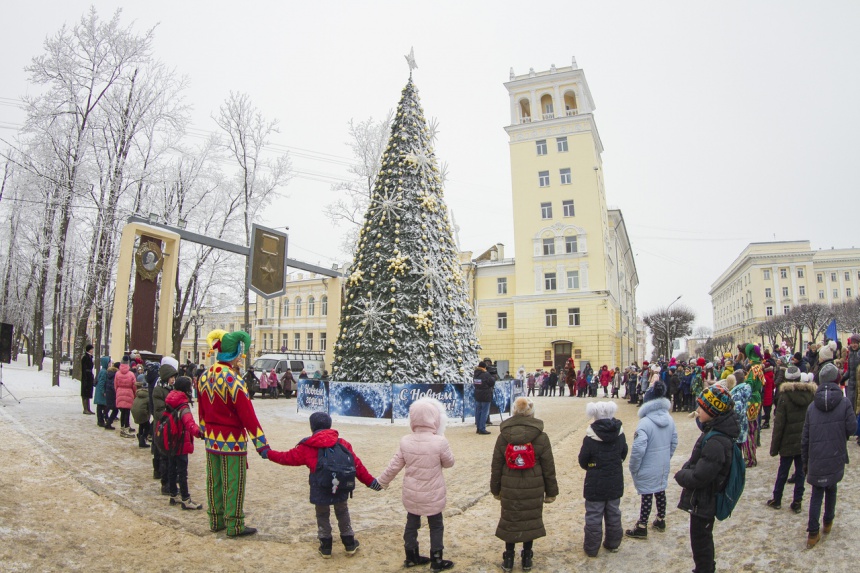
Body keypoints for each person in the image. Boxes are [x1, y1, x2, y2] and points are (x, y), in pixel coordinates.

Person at [267, 411, 380, 558]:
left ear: (312, 427)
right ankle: (349, 543)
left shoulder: (308, 446)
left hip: (320, 487)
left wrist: (267, 453)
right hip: (340, 485)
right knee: (342, 511)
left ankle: (326, 546)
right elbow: (357, 466)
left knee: (322, 514)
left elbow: (286, 457)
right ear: (329, 425)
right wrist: (371, 482)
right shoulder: (343, 444)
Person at [198, 329, 269, 537]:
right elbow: (248, 415)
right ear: (235, 354)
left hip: (211, 438)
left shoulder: (204, 376)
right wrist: (261, 443)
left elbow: (201, 409)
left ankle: (215, 520)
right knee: (234, 482)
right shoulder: (234, 381)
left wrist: (203, 429)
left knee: (214, 479)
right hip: (232, 440)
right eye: (240, 354)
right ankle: (234, 524)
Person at [377, 398, 455, 571]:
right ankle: (436, 559)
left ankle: (411, 556)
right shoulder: (439, 441)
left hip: (412, 494)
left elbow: (394, 465)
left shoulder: (406, 441)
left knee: (412, 523)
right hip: (433, 494)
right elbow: (449, 463)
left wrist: (381, 482)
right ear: (435, 419)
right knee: (436, 525)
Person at [674, 385, 739, 573]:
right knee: (702, 542)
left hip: (705, 501)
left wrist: (681, 474)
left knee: (701, 544)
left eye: (701, 408)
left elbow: (700, 476)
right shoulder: (715, 432)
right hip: (704, 499)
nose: (698, 411)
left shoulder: (716, 442)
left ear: (713, 411)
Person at [491, 397, 557, 572]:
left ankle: (509, 556)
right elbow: (548, 467)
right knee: (530, 519)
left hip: (509, 483)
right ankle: (527, 556)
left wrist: (495, 489)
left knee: (510, 519)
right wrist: (551, 492)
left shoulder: (504, 436)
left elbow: (497, 464)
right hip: (534, 484)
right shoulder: (541, 436)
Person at [801, 363, 856, 548]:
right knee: (831, 488)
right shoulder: (845, 402)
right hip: (835, 453)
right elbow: (852, 428)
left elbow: (805, 437)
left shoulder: (811, 407)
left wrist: (805, 461)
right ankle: (828, 522)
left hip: (816, 457)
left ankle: (812, 533)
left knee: (816, 493)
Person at [626, 382, 677, 539]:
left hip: (647, 464)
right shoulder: (669, 419)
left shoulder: (645, 422)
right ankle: (660, 519)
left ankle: (642, 525)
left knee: (647, 494)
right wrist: (666, 458)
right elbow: (674, 442)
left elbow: (638, 449)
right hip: (662, 464)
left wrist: (633, 467)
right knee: (660, 490)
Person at [578, 401, 628, 557]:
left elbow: (583, 460)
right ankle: (613, 543)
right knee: (613, 512)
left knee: (594, 514)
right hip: (614, 480)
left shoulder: (590, 438)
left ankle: (592, 548)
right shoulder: (619, 435)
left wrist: (593, 467)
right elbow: (623, 453)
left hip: (595, 482)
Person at [766, 365, 814, 513]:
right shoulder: (810, 395)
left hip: (787, 441)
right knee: (800, 472)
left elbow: (779, 424)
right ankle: (797, 501)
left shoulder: (784, 397)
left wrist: (774, 448)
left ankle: (777, 499)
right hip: (803, 440)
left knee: (783, 471)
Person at [165, 376, 204, 510]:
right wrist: (200, 433)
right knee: (182, 471)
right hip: (181, 440)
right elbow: (190, 424)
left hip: (170, 438)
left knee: (171, 467)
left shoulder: (170, 398)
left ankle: (173, 494)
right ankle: (186, 499)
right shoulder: (182, 405)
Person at [152, 361, 177, 492]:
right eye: (171, 377)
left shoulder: (172, 389)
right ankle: (164, 482)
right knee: (162, 455)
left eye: (174, 377)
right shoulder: (159, 390)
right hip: (162, 426)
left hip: (171, 426)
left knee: (170, 455)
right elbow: (159, 411)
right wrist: (173, 413)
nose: (173, 380)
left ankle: (169, 478)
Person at [114, 356, 138, 439]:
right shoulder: (131, 374)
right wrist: (135, 394)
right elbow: (134, 386)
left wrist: (117, 391)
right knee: (127, 412)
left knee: (122, 412)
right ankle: (126, 428)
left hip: (120, 392)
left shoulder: (117, 373)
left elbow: (115, 384)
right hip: (129, 393)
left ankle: (122, 428)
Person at [473, 361, 495, 435]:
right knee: (484, 412)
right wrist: (493, 377)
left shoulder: (475, 374)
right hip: (486, 395)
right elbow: (491, 382)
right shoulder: (486, 374)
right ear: (484, 367)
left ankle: (478, 428)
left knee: (478, 412)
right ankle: (482, 428)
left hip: (477, 394)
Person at [131, 373, 151, 449]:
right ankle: (142, 440)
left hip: (135, 412)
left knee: (141, 425)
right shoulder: (147, 396)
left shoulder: (138, 394)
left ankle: (140, 435)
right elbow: (149, 408)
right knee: (148, 427)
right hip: (142, 413)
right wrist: (147, 414)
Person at [94, 355, 111, 427]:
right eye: (109, 362)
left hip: (100, 392)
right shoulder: (104, 372)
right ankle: (101, 421)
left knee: (101, 407)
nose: (110, 364)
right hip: (101, 392)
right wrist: (103, 391)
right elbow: (101, 382)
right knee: (101, 407)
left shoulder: (103, 371)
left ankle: (101, 420)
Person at [80, 344, 96, 415]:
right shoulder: (85, 357)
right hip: (86, 377)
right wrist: (86, 377)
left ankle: (88, 408)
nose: (92, 350)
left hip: (89, 377)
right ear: (88, 350)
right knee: (85, 393)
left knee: (88, 393)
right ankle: (85, 409)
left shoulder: (90, 357)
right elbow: (84, 369)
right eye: (91, 349)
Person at [103, 362, 119, 431]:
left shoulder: (109, 373)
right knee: (115, 410)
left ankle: (105, 415)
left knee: (109, 406)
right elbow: (113, 385)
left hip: (108, 392)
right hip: (113, 393)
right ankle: (108, 422)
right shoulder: (115, 374)